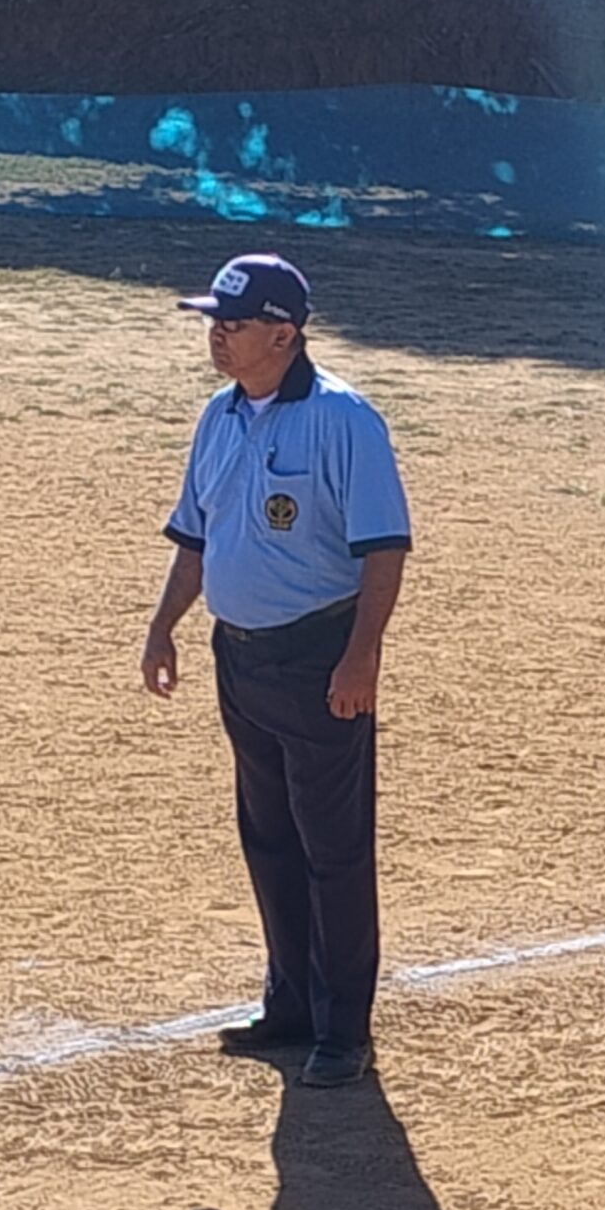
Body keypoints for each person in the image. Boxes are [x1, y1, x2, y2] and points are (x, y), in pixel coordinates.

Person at [141, 253, 412, 1089]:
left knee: (333, 848)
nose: (217, 334)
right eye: (212, 320)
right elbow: (198, 537)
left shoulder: (344, 419)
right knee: (268, 837)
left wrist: (360, 656)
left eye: (234, 321)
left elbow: (384, 549)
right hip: (241, 657)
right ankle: (290, 1002)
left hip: (317, 658)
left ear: (285, 334)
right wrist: (163, 628)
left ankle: (343, 1027)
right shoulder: (217, 418)